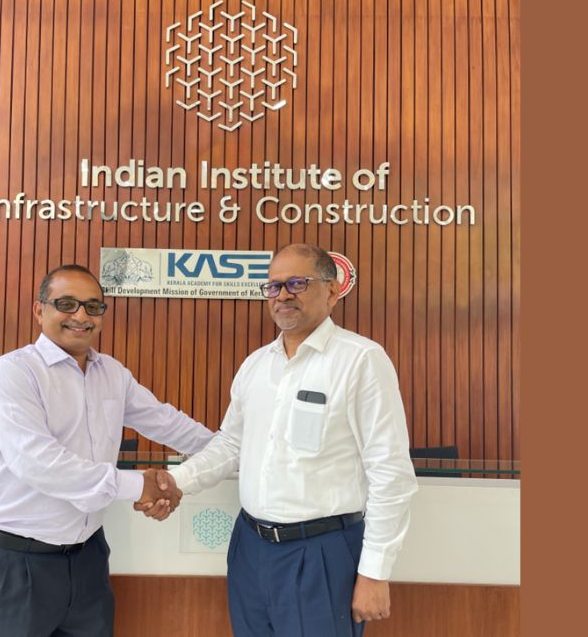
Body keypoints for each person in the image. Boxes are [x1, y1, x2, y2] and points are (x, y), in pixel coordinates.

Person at [161, 244, 419, 636]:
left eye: (297, 283)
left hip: (321, 553)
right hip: (250, 548)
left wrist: (374, 572)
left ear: (331, 291)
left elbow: (391, 472)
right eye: (274, 286)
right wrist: (173, 481)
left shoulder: (361, 360)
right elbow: (231, 445)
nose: (283, 295)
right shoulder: (256, 365)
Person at [0, 264, 213, 637]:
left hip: (87, 560)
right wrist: (140, 486)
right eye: (67, 304)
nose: (81, 316)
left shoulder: (112, 373)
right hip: (15, 564)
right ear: (39, 310)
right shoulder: (12, 373)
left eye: (93, 306)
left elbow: (166, 422)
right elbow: (41, 464)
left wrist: (235, 454)